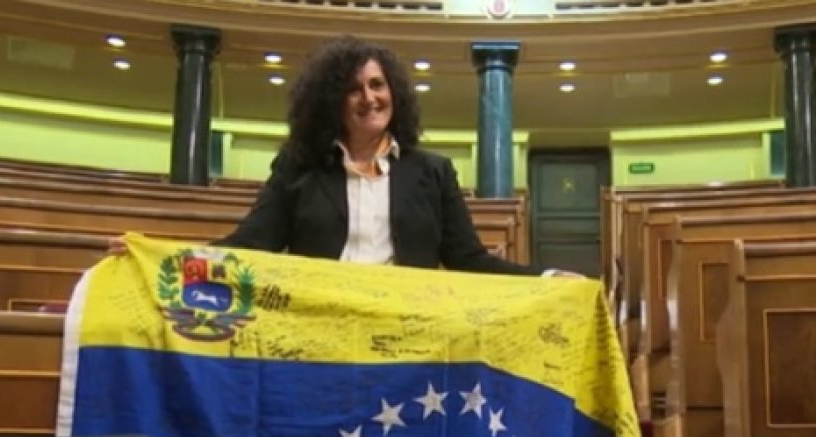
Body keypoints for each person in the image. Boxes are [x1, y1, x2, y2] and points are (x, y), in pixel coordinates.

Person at [109, 35, 577, 278]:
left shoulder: (432, 172)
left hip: (406, 337)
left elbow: (469, 259)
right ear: (332, 100)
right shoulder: (298, 167)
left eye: (377, 85)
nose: (368, 98)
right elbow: (253, 243)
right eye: (353, 89)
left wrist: (546, 275)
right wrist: (163, 257)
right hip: (318, 334)